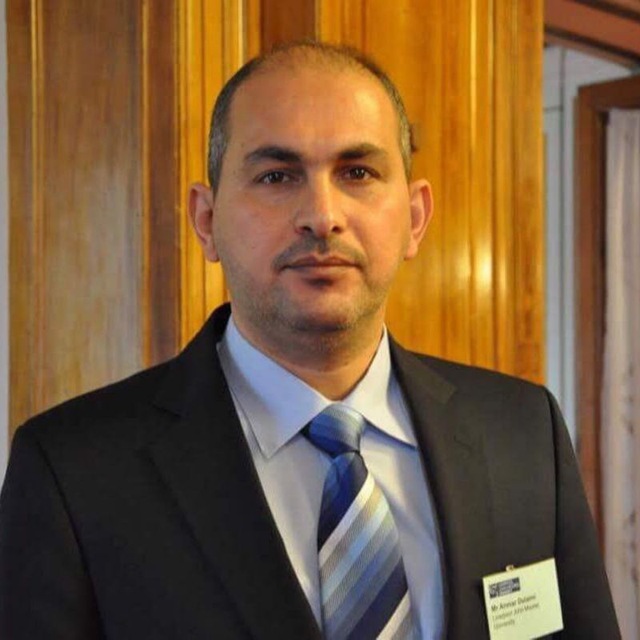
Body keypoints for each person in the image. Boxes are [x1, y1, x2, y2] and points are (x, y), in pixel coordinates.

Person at [0, 41, 619, 640]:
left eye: (358, 172)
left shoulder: (523, 433)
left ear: (414, 217)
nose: (322, 216)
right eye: (276, 176)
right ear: (207, 221)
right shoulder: (73, 471)